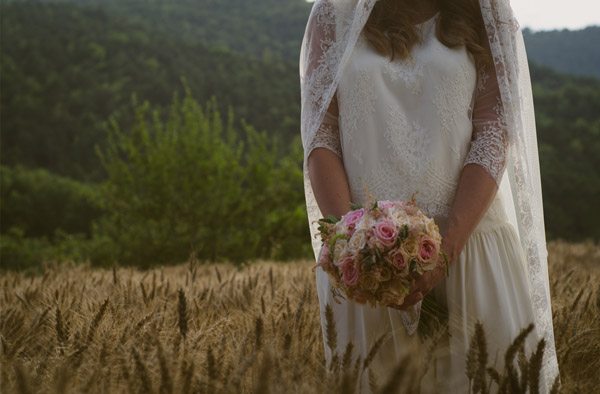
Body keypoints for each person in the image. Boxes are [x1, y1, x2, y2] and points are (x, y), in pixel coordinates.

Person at [299, 0, 559, 392]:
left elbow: (493, 131)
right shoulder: (334, 14)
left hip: (470, 247)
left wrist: (446, 247)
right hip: (366, 265)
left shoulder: (486, 11)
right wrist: (353, 244)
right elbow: (321, 136)